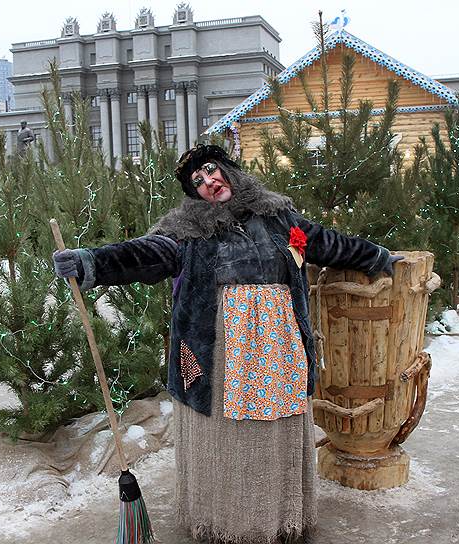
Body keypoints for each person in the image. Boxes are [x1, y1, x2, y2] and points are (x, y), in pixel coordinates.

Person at [53, 144, 401, 543]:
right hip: (214, 350)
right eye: (197, 182)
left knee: (274, 431)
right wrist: (90, 262)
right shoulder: (186, 232)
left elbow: (326, 243)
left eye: (210, 171)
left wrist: (376, 256)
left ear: (229, 170)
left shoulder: (278, 217)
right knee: (222, 434)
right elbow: (146, 254)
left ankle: (277, 517)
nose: (208, 183)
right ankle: (226, 521)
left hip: (279, 344)